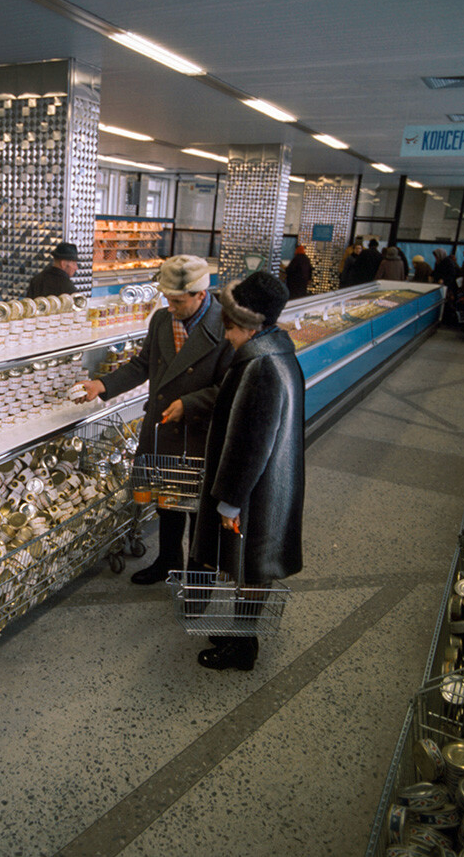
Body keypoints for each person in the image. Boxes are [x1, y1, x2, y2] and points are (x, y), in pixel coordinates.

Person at [80, 255, 233, 585]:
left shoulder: (225, 327)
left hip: (200, 430)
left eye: (177, 300)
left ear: (200, 296)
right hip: (164, 427)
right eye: (166, 298)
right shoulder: (163, 320)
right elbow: (141, 364)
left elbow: (230, 387)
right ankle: (167, 559)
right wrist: (103, 384)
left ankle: (197, 571)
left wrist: (189, 403)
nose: (170, 305)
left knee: (197, 507)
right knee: (167, 500)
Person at [189, 271, 304, 672]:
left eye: (232, 329)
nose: (227, 338)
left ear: (251, 326)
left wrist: (230, 501)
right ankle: (241, 632)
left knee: (254, 567)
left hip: (257, 491)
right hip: (272, 484)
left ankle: (243, 646)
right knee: (250, 565)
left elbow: (251, 444)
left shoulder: (260, 367)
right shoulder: (279, 352)